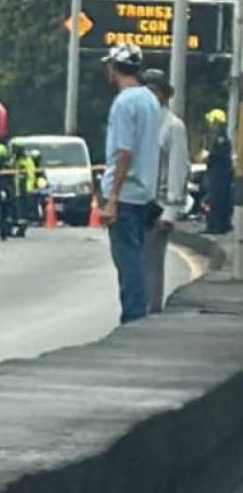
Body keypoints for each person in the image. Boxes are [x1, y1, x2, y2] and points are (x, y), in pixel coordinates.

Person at [100, 43, 162, 324]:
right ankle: (138, 315)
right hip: (143, 193)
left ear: (113, 67)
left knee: (128, 263)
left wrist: (112, 197)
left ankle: (134, 320)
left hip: (125, 195)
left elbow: (124, 151)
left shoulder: (124, 102)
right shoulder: (150, 99)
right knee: (136, 257)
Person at [141, 70, 189, 314]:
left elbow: (178, 169)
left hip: (158, 205)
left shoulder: (172, 127)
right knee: (133, 266)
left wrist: (170, 211)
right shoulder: (140, 122)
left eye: (155, 90)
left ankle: (151, 311)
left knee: (151, 265)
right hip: (136, 203)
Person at [204, 108, 233, 235]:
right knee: (213, 199)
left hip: (221, 176)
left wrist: (209, 157)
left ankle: (218, 226)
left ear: (217, 123)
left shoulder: (221, 139)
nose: (209, 125)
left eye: (212, 122)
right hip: (216, 175)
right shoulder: (216, 138)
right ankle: (212, 225)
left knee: (218, 200)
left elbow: (219, 156)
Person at [11, 141, 37, 234]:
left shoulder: (25, 161)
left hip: (24, 189)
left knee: (22, 211)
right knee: (18, 210)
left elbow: (29, 175)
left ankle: (22, 229)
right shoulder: (17, 160)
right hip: (18, 188)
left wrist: (28, 188)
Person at [0, 143, 14, 240]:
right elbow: (11, 179)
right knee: (5, 212)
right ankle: (4, 232)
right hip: (5, 191)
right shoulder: (7, 165)